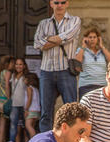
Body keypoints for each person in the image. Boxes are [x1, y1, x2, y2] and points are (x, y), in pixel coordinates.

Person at [34, 0, 81, 132]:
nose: (59, 5)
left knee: (71, 111)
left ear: (67, 4)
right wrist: (60, 39)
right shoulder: (43, 23)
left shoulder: (75, 20)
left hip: (66, 70)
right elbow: (38, 44)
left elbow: (69, 37)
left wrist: (48, 38)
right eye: (56, 2)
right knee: (45, 112)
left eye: (62, 2)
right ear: (51, 4)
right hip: (46, 71)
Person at [75, 27, 110, 99]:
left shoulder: (102, 51)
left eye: (94, 37)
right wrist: (83, 46)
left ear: (98, 39)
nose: (92, 39)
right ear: (86, 39)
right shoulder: (82, 50)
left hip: (102, 86)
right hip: (86, 86)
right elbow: (77, 62)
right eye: (90, 37)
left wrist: (102, 47)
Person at [3, 58, 28, 142]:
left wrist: (28, 105)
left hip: (24, 104)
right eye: (17, 64)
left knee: (26, 125)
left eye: (20, 64)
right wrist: (8, 98)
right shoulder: (13, 76)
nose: (18, 66)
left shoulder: (26, 77)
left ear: (24, 66)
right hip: (15, 103)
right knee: (13, 123)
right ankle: (12, 141)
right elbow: (9, 88)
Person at [0, 55, 15, 142]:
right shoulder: (7, 72)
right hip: (3, 99)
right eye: (12, 63)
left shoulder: (0, 73)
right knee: (3, 123)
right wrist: (8, 97)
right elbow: (7, 85)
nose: (13, 65)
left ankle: (0, 141)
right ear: (8, 64)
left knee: (1, 123)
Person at [23, 73, 41, 139]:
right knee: (32, 127)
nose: (23, 80)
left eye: (24, 79)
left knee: (28, 125)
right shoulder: (36, 89)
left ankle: (35, 140)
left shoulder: (29, 88)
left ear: (28, 80)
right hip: (37, 110)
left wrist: (26, 109)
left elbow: (29, 98)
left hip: (31, 109)